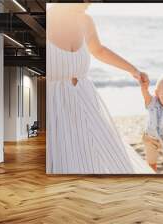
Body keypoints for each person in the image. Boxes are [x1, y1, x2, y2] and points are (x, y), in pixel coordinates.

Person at [46, 3, 154, 174]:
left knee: (106, 155)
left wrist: (134, 70)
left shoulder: (85, 21)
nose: (90, 3)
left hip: (85, 100)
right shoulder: (43, 20)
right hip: (54, 105)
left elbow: (99, 50)